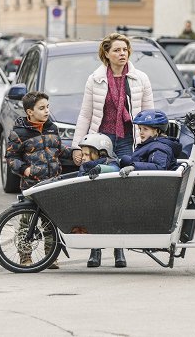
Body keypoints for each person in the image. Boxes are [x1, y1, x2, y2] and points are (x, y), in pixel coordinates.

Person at [72, 32, 154, 269]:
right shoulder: (95, 79)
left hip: (128, 140)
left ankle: (119, 249)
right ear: (106, 54)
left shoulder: (140, 79)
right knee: (96, 191)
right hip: (101, 140)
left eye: (125, 50)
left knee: (121, 194)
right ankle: (95, 249)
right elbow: (85, 114)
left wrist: (148, 142)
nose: (122, 54)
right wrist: (78, 146)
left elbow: (148, 113)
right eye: (117, 50)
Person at [6, 91, 72, 269]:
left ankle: (51, 256)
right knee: (27, 221)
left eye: (47, 107)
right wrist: (25, 169)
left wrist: (75, 153)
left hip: (52, 182)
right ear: (29, 112)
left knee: (51, 221)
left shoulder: (52, 128)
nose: (46, 111)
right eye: (41, 108)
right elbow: (11, 157)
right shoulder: (19, 133)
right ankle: (25, 256)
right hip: (31, 185)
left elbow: (59, 149)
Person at [76, 133, 121, 268]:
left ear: (99, 153)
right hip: (92, 203)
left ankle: (119, 251)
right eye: (82, 154)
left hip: (111, 202)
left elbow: (115, 169)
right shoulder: (84, 167)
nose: (82, 158)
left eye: (86, 154)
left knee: (116, 222)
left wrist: (100, 168)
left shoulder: (111, 162)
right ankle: (95, 251)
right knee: (92, 222)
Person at [118, 109, 182, 176]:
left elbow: (158, 168)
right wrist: (125, 161)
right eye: (140, 129)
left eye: (145, 129)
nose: (141, 132)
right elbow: (141, 160)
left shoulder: (160, 147)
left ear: (157, 131)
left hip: (157, 184)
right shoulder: (150, 144)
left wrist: (134, 167)